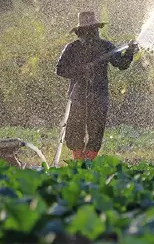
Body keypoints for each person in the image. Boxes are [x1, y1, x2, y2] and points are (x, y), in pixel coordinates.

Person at [56, 11, 139, 161]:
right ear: (80, 32)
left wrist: (130, 52)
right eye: (88, 30)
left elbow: (121, 64)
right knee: (74, 132)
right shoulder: (72, 48)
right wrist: (81, 69)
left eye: (94, 29)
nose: (92, 32)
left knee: (96, 131)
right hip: (77, 97)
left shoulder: (105, 46)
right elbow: (60, 70)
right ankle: (78, 161)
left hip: (99, 96)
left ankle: (89, 163)